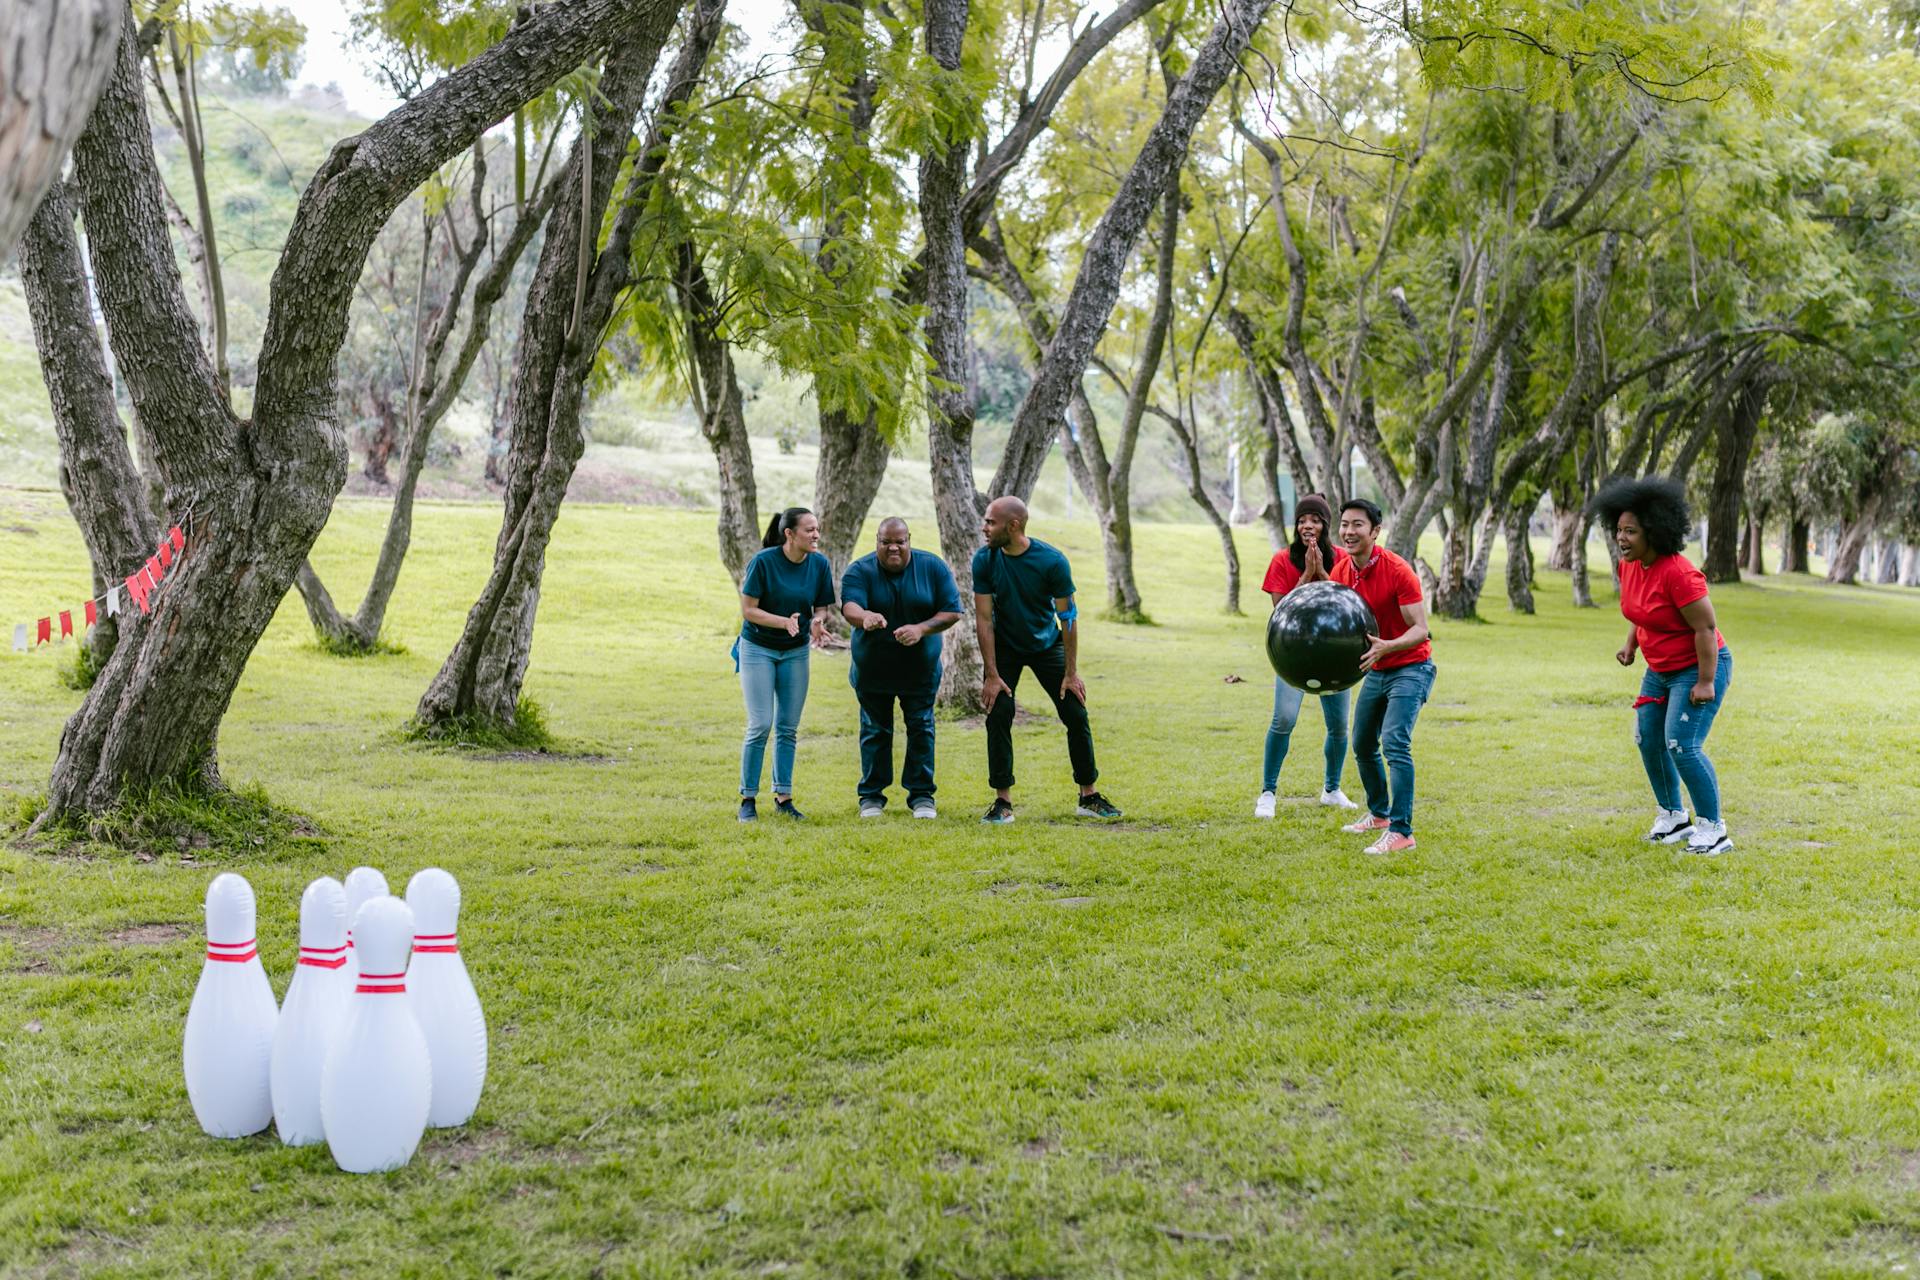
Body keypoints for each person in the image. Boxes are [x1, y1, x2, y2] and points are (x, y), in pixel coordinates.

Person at [1595, 477, 1734, 856]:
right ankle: (1674, 817)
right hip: (1660, 669)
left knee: (1682, 744)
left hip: (1699, 665)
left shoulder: (1679, 573)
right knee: (1648, 738)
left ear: (1653, 531)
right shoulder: (1631, 566)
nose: (1621, 538)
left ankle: (1713, 828)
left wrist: (1706, 682)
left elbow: (1705, 628)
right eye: (1618, 530)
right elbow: (1642, 612)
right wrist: (1630, 645)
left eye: (1630, 531)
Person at [972, 496, 1121, 823]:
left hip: (1045, 644)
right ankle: (1002, 801)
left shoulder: (1052, 561)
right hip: (1006, 646)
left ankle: (1089, 796)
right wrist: (992, 674)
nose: (984, 528)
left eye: (990, 522)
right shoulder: (984, 560)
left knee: (1075, 711)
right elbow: (984, 620)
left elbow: (1068, 617)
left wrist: (1071, 672)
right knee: (998, 713)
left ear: (1013, 526)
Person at [1324, 498, 1434, 855]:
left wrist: (1388, 646)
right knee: (1362, 744)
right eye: (1344, 524)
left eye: (1357, 525)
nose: (1349, 531)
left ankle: (1402, 832)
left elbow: (1421, 630)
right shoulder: (1342, 571)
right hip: (1378, 667)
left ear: (1375, 531)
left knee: (1395, 743)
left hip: (1411, 666)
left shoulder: (1398, 570)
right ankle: (1380, 814)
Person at [841, 517, 963, 819]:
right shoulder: (860, 569)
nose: (893, 547)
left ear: (909, 539)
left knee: (921, 728)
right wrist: (865, 617)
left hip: (919, 670)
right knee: (874, 730)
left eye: (899, 541)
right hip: (873, 670)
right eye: (885, 542)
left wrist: (921, 629)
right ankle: (871, 797)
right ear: (877, 542)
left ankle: (922, 797)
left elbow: (952, 611)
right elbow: (849, 606)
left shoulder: (932, 567)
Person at [1255, 494, 1359, 818]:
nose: (1307, 526)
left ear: (1325, 525)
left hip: (1334, 655)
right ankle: (1268, 793)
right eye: (1302, 520)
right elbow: (1281, 613)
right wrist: (1304, 578)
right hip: (1294, 656)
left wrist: (1323, 574)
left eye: (1314, 520)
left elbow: (1348, 605)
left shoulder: (1342, 559)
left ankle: (1332, 789)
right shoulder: (1281, 560)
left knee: (1340, 727)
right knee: (1283, 720)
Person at [734, 507, 835, 821]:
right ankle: (748, 800)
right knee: (761, 724)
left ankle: (784, 797)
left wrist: (817, 622)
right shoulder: (764, 562)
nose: (816, 535)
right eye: (809, 530)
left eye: (817, 529)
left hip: (795, 652)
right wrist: (783, 622)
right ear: (789, 534)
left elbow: (822, 607)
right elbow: (749, 610)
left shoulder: (818, 564)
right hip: (758, 648)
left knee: (788, 728)